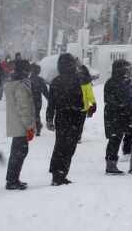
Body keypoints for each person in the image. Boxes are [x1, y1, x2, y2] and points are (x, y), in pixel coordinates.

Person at [46, 53, 85, 186]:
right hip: (76, 116)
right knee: (70, 147)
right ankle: (61, 173)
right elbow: (84, 99)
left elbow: (51, 103)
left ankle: (57, 173)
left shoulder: (56, 81)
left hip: (61, 116)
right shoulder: (79, 79)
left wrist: (49, 118)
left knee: (60, 145)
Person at [3, 58, 36, 191]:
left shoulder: (13, 82)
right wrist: (29, 127)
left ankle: (12, 179)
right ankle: (12, 180)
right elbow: (24, 108)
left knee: (17, 152)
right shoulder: (21, 85)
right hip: (21, 124)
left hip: (16, 122)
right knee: (19, 152)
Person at [103, 58, 132, 174]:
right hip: (114, 115)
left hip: (121, 115)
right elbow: (109, 99)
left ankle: (111, 163)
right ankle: (110, 165)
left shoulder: (126, 81)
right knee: (114, 139)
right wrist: (122, 105)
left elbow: (130, 97)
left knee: (117, 138)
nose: (127, 71)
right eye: (125, 68)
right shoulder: (112, 82)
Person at [27, 61, 48, 137]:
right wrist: (49, 99)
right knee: (37, 114)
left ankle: (31, 129)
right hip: (38, 100)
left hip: (29, 100)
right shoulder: (40, 80)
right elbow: (45, 92)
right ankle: (38, 129)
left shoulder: (28, 80)